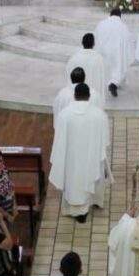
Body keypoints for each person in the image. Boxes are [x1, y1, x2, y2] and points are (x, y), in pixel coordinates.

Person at [49, 83, 111, 222]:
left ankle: (77, 211)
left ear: (74, 96)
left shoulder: (64, 114)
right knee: (91, 177)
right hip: (92, 156)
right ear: (89, 96)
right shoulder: (99, 114)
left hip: (71, 158)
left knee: (74, 181)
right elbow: (105, 141)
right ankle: (90, 203)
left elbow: (59, 140)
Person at [94, 8, 134, 96]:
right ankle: (114, 83)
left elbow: (96, 37)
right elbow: (128, 40)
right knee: (117, 67)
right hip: (117, 51)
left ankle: (108, 82)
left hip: (104, 50)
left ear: (110, 15)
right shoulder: (123, 26)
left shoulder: (101, 24)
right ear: (120, 16)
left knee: (107, 67)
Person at [63, 33, 107, 102]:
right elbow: (103, 78)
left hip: (76, 99)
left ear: (82, 43)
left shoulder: (74, 58)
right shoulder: (99, 59)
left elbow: (68, 76)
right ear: (94, 44)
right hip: (94, 100)